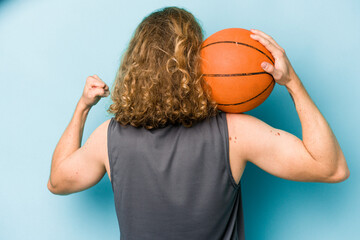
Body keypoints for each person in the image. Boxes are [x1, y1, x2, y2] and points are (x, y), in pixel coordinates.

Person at [47, 6, 350, 240]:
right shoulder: (235, 133)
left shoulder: (108, 138)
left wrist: (83, 108)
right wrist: (292, 81)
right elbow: (331, 167)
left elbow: (57, 181)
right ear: (199, 63)